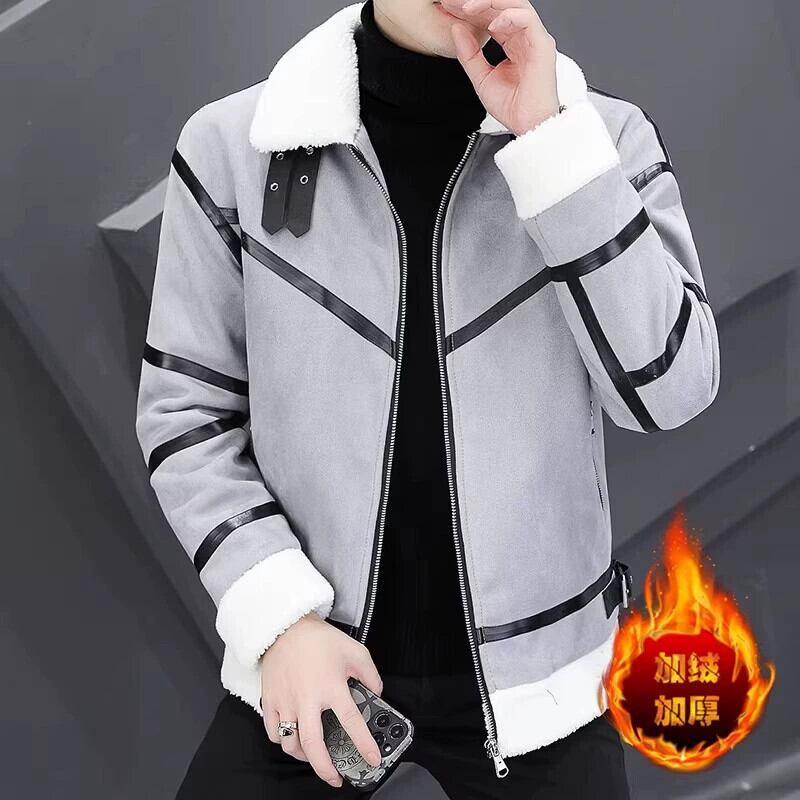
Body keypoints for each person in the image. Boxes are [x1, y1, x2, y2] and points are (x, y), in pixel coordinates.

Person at [135, 1, 720, 797]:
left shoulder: (603, 139)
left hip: (539, 682)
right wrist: (283, 622)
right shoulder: (237, 146)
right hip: (314, 660)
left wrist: (551, 143)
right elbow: (186, 413)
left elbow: (670, 393)